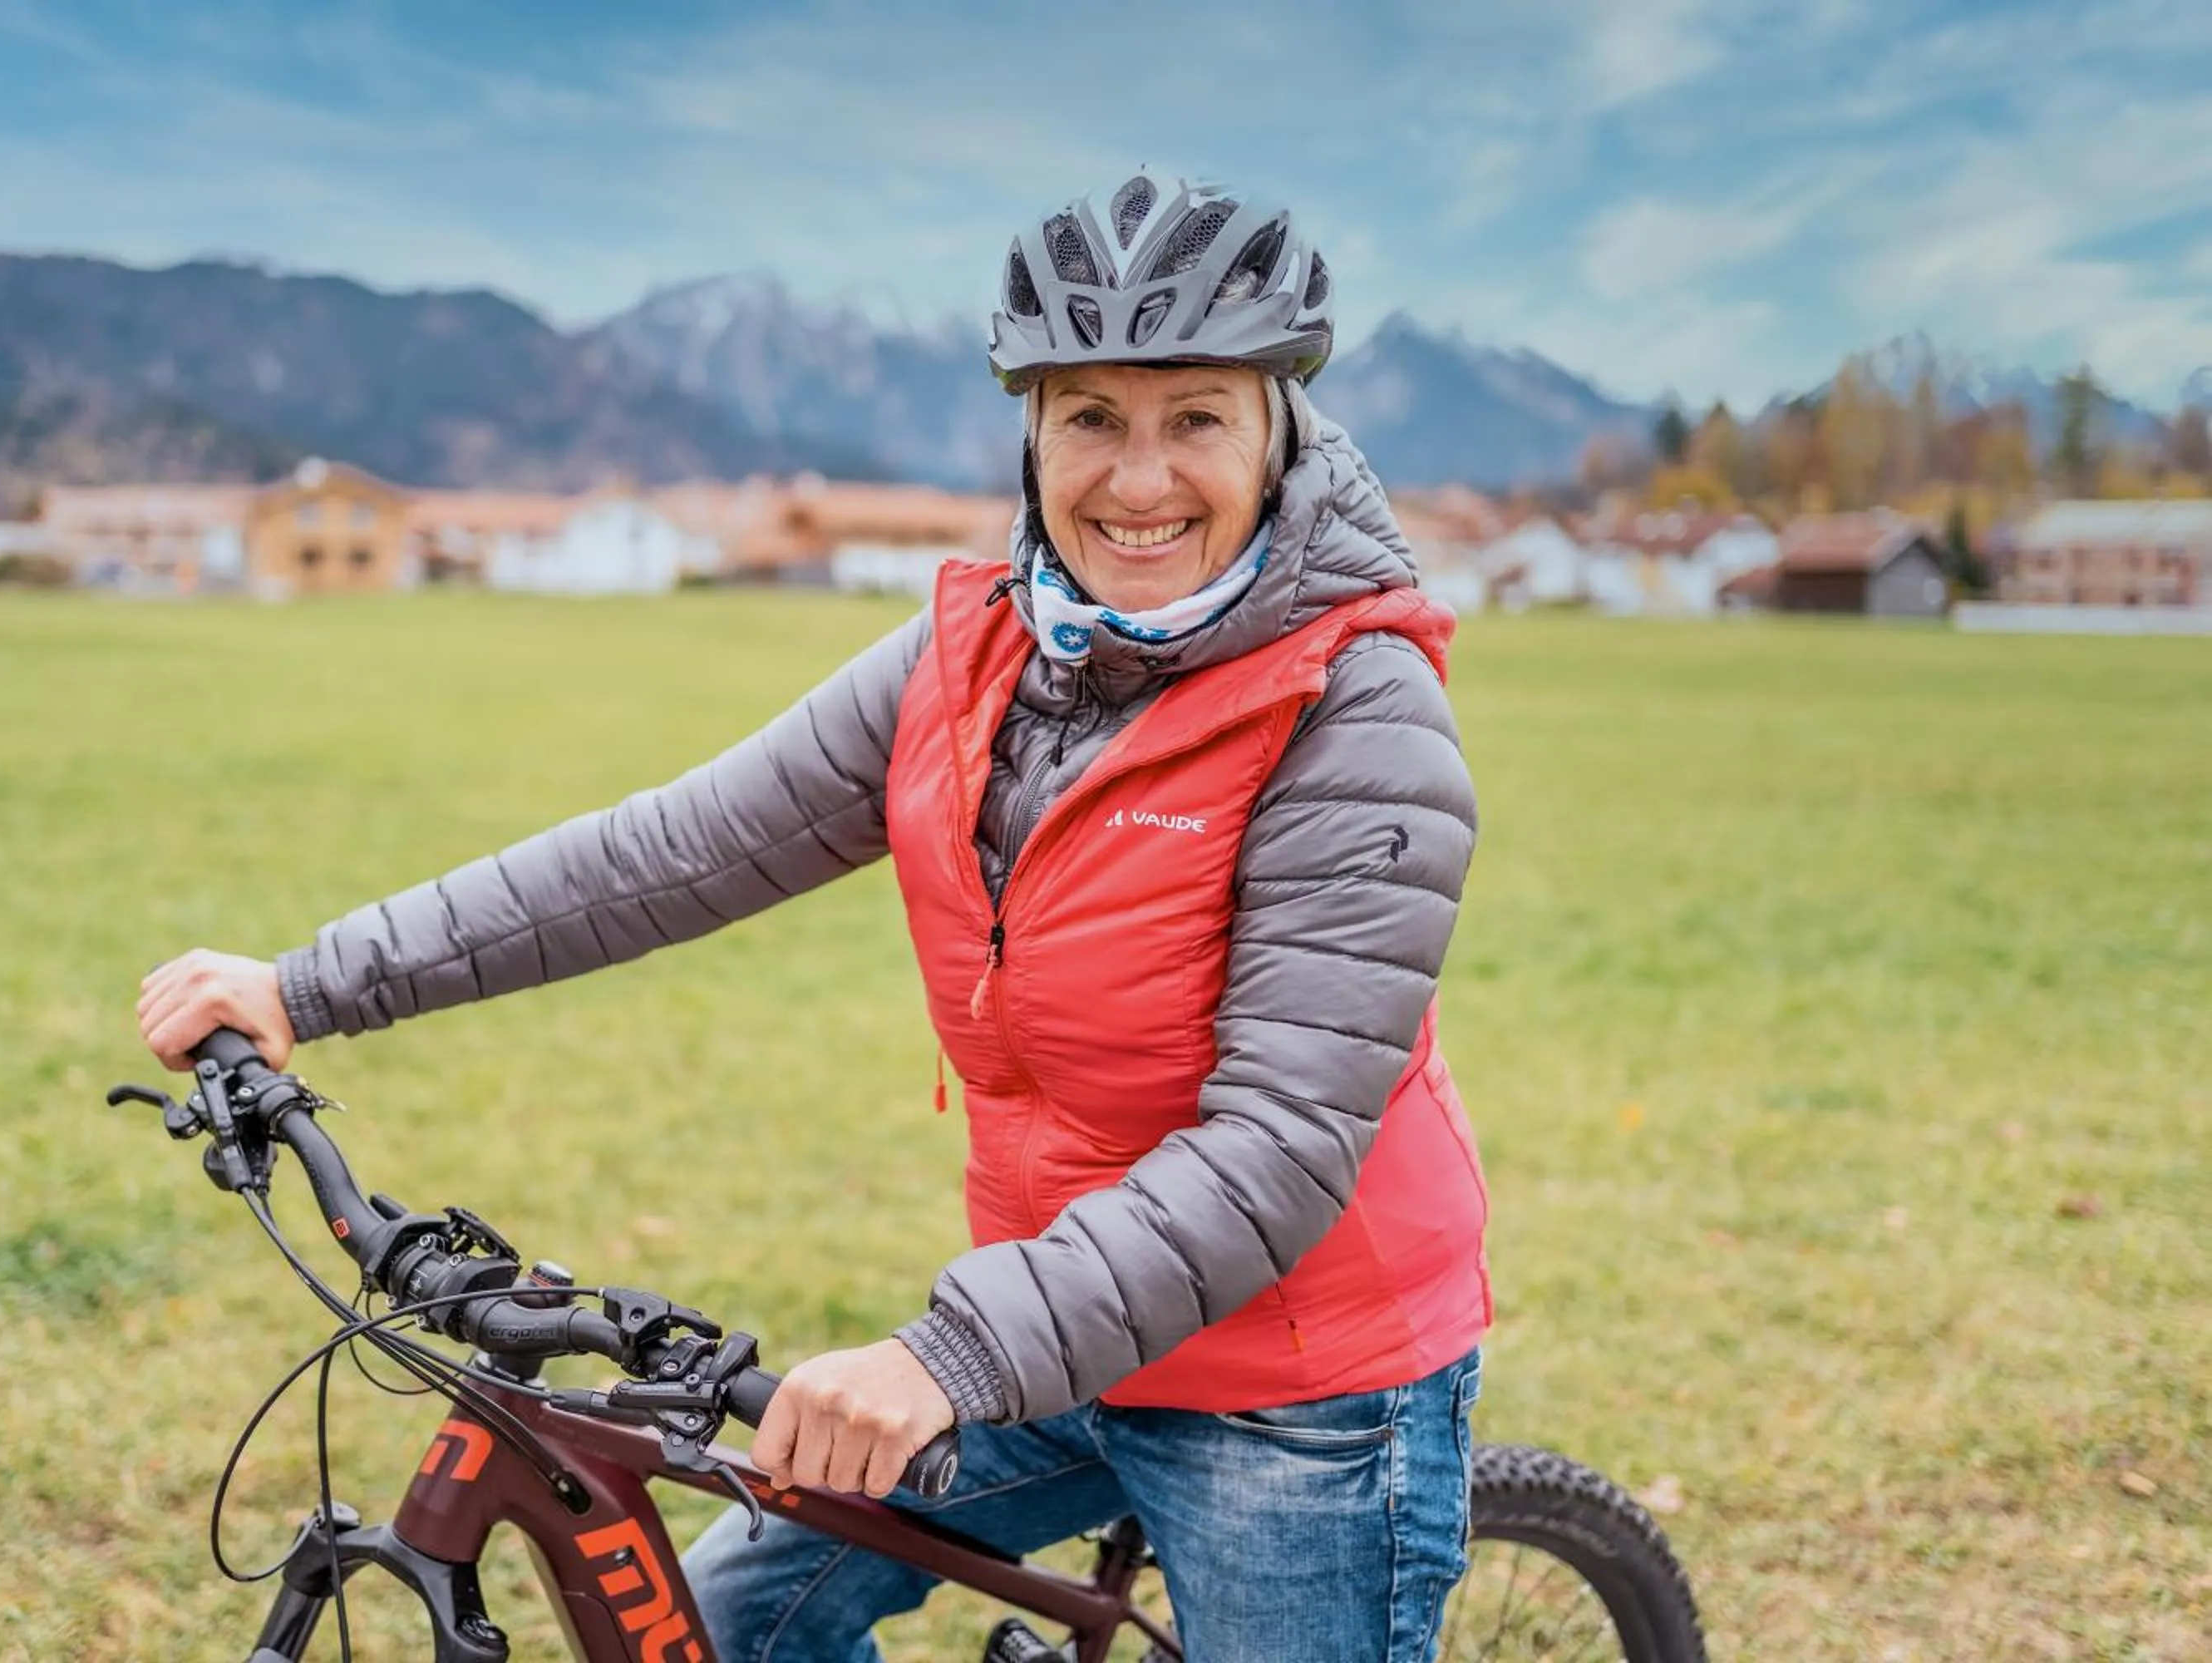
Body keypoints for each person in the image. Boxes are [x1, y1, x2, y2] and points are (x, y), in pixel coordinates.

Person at [139, 168, 1489, 1663]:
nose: (1140, 477)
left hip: (1293, 1387)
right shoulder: (972, 653)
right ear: (1033, 432)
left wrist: (949, 1356)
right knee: (726, 1627)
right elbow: (672, 851)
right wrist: (314, 984)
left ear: (1277, 426)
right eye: (1091, 417)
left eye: (1195, 418)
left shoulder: (1356, 711)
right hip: (1062, 1335)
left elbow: (1278, 1148)